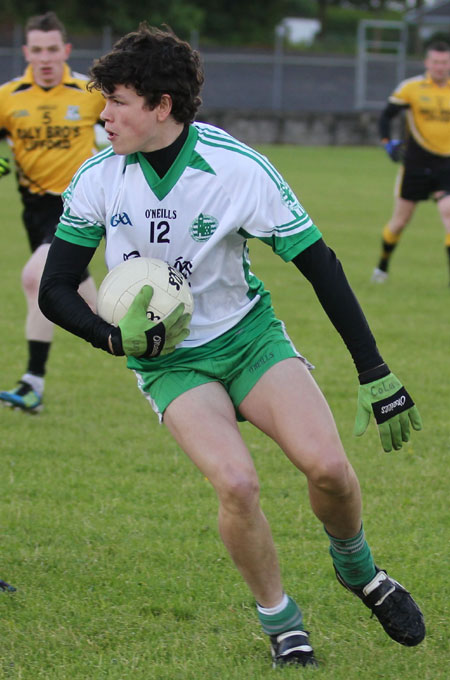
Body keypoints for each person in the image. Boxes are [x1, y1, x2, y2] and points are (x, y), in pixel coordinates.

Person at [39, 24, 425, 668]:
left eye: (118, 101)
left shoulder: (238, 168)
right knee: (238, 483)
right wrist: (113, 339)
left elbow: (320, 264)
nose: (102, 114)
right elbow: (55, 286)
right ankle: (281, 620)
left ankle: (359, 569)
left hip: (249, 338)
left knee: (328, 468)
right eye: (102, 100)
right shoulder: (99, 178)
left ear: (162, 106)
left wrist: (375, 371)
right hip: (169, 359)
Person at [0, 11, 105, 412]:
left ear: (66, 50)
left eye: (52, 50)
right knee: (93, 307)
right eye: (37, 50)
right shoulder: (8, 97)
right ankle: (153, 354)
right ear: (27, 51)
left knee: (36, 278)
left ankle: (32, 384)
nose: (45, 58)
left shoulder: (90, 92)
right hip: (35, 210)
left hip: (80, 203)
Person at [372, 41, 450, 284]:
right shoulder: (411, 88)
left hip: (446, 165)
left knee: (448, 213)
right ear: (427, 63)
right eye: (436, 62)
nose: (440, 66)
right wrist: (388, 142)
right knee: (399, 223)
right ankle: (382, 266)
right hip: (415, 164)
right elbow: (386, 116)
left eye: (445, 62)